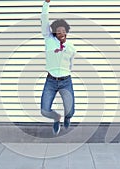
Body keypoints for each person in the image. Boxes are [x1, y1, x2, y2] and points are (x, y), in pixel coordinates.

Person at [40, 0, 77, 135]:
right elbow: (44, 20)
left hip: (65, 81)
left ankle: (67, 117)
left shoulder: (72, 47)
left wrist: (66, 71)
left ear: (66, 32)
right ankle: (56, 118)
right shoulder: (49, 39)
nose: (60, 33)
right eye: (58, 31)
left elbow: (71, 63)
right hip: (51, 81)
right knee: (44, 110)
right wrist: (46, 4)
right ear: (54, 32)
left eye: (63, 31)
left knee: (71, 111)